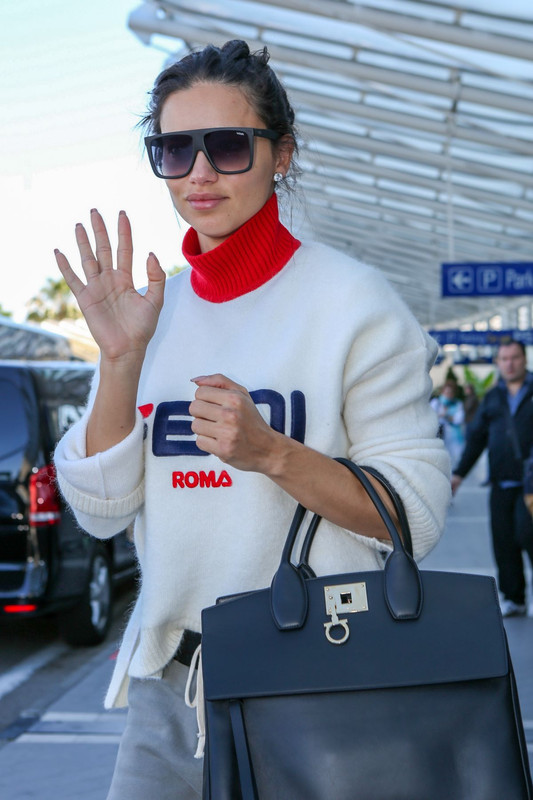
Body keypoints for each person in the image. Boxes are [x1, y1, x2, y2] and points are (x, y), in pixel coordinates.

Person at [53, 40, 450, 800]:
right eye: (174, 149)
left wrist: (274, 454)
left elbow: (416, 517)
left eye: (227, 145)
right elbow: (102, 513)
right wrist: (120, 361)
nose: (199, 172)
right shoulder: (149, 310)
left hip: (320, 681)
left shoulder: (352, 304)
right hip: (169, 689)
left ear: (282, 154)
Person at [452, 340, 533, 618]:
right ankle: (515, 598)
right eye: (504, 359)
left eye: (515, 358)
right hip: (500, 484)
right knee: (504, 541)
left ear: (524, 360)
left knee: (527, 533)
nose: (509, 363)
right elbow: (476, 439)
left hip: (530, 485)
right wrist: (459, 474)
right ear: (498, 363)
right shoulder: (493, 397)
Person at [430, 380, 465, 470]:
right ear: (443, 392)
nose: (448, 394)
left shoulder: (458, 403)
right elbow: (431, 417)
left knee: (455, 460)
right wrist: (448, 416)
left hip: (454, 437)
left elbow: (459, 419)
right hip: (439, 435)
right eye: (447, 392)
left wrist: (445, 415)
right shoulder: (436, 402)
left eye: (451, 392)